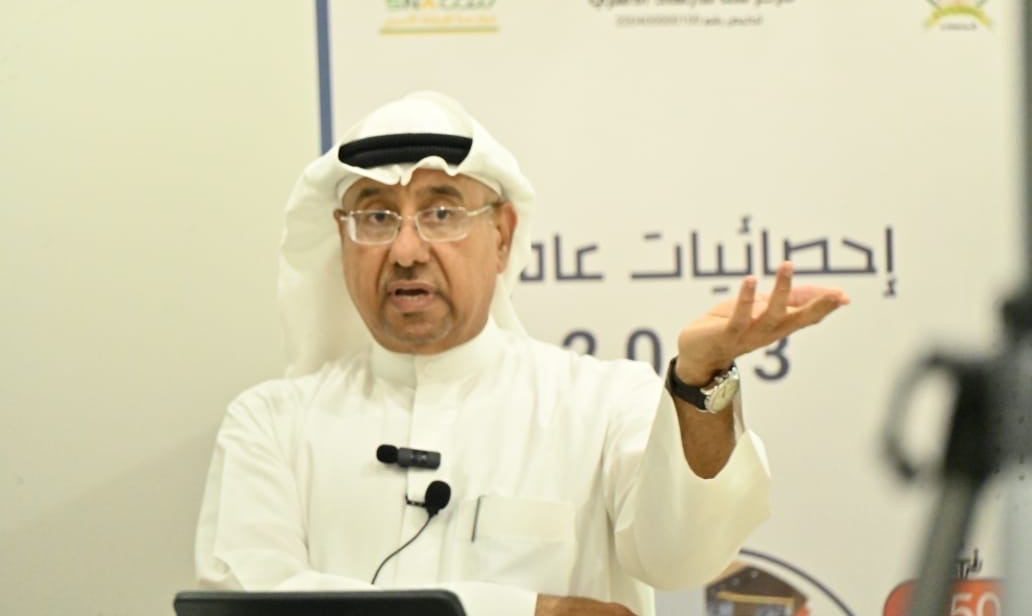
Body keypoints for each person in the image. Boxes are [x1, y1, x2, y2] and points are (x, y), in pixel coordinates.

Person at [194, 91, 849, 616]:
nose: (406, 250)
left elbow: (684, 556)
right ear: (342, 238)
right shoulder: (271, 425)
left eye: (441, 212)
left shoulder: (603, 404)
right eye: (376, 216)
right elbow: (249, 601)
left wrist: (701, 383)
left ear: (502, 236)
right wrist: (527, 610)